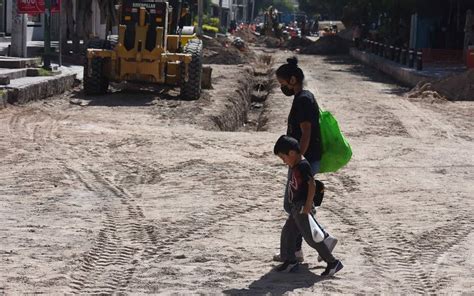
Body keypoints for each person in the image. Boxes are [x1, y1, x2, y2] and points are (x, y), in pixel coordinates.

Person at [273, 57, 337, 263]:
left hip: (303, 160)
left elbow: (306, 132)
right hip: (302, 159)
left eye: (283, 84)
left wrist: (297, 158)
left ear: (293, 80)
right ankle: (297, 250)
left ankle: (324, 239)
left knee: (295, 206)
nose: (282, 88)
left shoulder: (303, 100)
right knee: (295, 206)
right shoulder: (303, 97)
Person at [273, 136, 343, 276]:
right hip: (295, 207)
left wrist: (307, 206)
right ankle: (290, 261)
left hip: (301, 208)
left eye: (283, 157)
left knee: (312, 238)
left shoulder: (303, 165)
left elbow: (312, 185)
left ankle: (332, 262)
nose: (283, 161)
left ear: (292, 153)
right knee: (288, 233)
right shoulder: (295, 164)